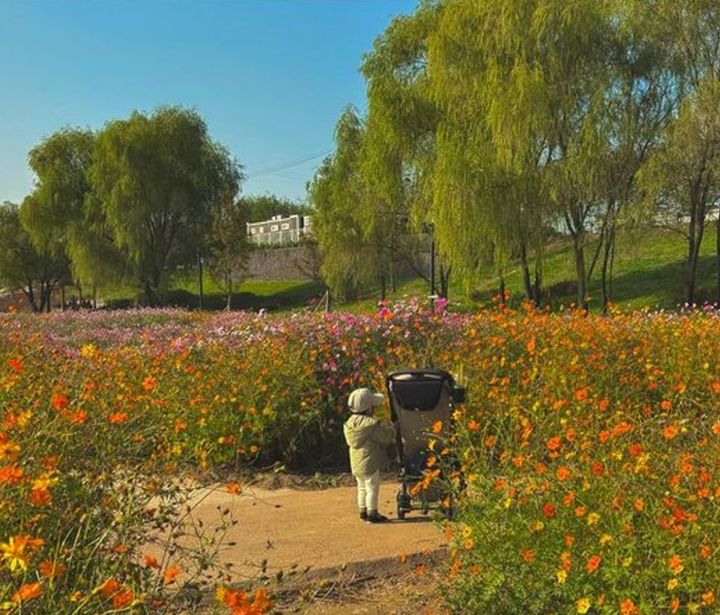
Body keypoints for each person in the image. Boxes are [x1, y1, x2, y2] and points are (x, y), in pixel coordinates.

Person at [343, 387, 397, 523]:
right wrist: (393, 429)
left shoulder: (350, 424)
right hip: (370, 463)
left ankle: (363, 511)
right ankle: (372, 513)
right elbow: (385, 437)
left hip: (356, 463)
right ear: (368, 409)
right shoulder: (371, 425)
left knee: (361, 487)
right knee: (372, 486)